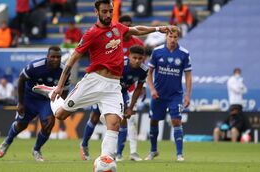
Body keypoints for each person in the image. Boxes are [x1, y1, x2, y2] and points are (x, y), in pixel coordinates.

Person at [34, 0, 170, 166]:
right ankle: (51, 92)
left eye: (110, 11)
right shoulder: (91, 33)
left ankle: (105, 161)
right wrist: (60, 86)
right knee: (60, 115)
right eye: (104, 11)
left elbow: (136, 30)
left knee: (114, 123)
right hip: (93, 82)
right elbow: (71, 60)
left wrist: (157, 29)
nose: (107, 15)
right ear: (96, 12)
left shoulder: (117, 28)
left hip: (113, 86)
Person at [0, 46, 70, 161]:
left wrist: (60, 105)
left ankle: (36, 150)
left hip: (47, 100)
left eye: (58, 57)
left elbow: (65, 90)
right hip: (29, 98)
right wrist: (20, 103)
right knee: (22, 125)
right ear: (47, 57)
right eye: (53, 57)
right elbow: (21, 80)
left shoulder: (64, 71)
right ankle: (8, 141)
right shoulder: (35, 66)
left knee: (49, 124)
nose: (56, 59)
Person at [80, 45, 147, 161]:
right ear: (129, 56)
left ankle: (118, 153)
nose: (137, 61)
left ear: (143, 58)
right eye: (134, 58)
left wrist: (130, 107)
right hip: (105, 90)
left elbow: (138, 88)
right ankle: (84, 144)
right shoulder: (120, 64)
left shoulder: (144, 70)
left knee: (123, 119)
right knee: (95, 117)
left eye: (140, 59)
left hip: (122, 93)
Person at [146, 26, 192, 161]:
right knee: (154, 121)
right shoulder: (157, 52)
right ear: (166, 36)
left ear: (178, 37)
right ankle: (153, 150)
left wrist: (187, 95)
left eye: (175, 37)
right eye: (170, 36)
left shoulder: (184, 53)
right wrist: (152, 89)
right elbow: (149, 73)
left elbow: (188, 76)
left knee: (176, 120)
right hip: (158, 94)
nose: (172, 39)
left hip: (175, 95)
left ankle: (179, 154)